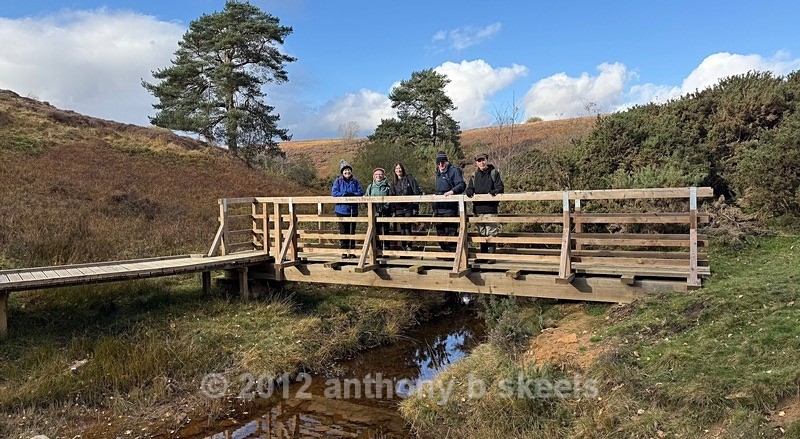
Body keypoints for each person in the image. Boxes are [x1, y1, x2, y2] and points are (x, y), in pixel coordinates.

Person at [465, 152, 504, 261]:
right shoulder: (474, 175)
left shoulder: (494, 173)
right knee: (481, 233)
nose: (481, 162)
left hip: (491, 208)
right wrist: (469, 191)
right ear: (476, 163)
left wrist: (494, 191)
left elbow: (500, 187)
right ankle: (482, 257)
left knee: (491, 233)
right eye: (479, 160)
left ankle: (491, 257)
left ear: (487, 160)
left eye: (483, 160)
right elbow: (470, 188)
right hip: (478, 209)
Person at [433, 150, 465, 252]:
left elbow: (462, 185)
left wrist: (452, 191)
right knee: (440, 234)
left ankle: (453, 255)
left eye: (443, 161)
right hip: (438, 209)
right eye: (439, 162)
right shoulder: (438, 173)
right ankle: (447, 254)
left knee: (451, 233)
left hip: (450, 208)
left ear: (447, 161)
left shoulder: (453, 171)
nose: (441, 164)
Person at [331, 160, 363, 258]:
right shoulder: (338, 181)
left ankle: (352, 251)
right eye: (345, 171)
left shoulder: (355, 181)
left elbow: (360, 192)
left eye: (349, 170)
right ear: (342, 172)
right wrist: (344, 194)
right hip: (341, 210)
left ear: (351, 171)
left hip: (353, 209)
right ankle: (344, 251)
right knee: (343, 231)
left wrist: (353, 195)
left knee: (352, 231)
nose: (347, 172)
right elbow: (334, 193)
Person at [390, 162, 421, 252]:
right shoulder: (393, 182)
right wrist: (393, 210)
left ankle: (409, 245)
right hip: (398, 207)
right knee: (402, 227)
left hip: (409, 206)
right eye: (396, 169)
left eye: (399, 168)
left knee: (407, 226)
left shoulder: (409, 179)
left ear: (402, 169)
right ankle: (403, 247)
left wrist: (415, 207)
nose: (398, 170)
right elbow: (391, 196)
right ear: (394, 171)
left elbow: (416, 192)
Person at [365, 167, 392, 250]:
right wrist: (371, 208)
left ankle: (386, 249)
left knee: (385, 230)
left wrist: (385, 207)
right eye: (376, 174)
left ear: (383, 175)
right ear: (374, 176)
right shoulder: (370, 186)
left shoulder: (388, 186)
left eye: (380, 174)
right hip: (374, 212)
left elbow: (390, 198)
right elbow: (366, 197)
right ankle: (377, 249)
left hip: (385, 211)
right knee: (375, 230)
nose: (378, 176)